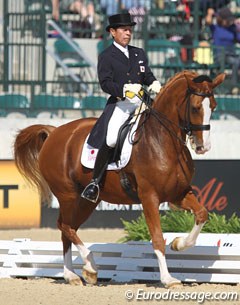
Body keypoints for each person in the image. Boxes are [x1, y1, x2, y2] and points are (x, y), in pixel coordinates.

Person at [81, 13, 161, 203]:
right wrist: (124, 90)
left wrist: (155, 83)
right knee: (110, 139)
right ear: (112, 32)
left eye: (130, 30)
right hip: (121, 104)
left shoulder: (138, 53)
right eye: (124, 30)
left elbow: (146, 75)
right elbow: (105, 83)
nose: (128, 33)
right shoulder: (106, 56)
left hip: (142, 102)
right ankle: (95, 182)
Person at [205, 6, 240, 93]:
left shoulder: (233, 29)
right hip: (220, 55)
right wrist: (210, 13)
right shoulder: (216, 28)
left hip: (232, 54)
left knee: (236, 60)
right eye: (226, 20)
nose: (228, 21)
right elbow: (208, 21)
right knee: (235, 61)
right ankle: (234, 86)